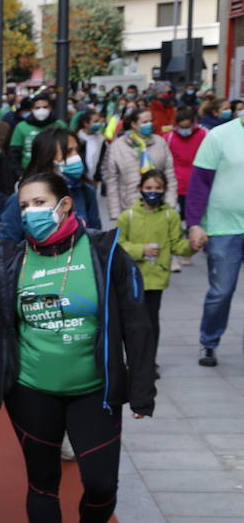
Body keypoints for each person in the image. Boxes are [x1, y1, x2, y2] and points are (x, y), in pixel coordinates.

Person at [0, 173, 154, 523]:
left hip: (94, 389)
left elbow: (137, 322)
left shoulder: (105, 252)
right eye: (23, 205)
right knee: (43, 482)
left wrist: (142, 389)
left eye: (39, 201)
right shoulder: (9, 258)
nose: (29, 212)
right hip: (32, 389)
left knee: (101, 483)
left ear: (65, 206)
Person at [115, 170, 193, 370]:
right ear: (140, 189)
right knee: (133, 323)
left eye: (158, 188)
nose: (153, 192)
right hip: (132, 278)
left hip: (156, 278)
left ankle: (149, 361)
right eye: (149, 188)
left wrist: (192, 246)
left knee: (151, 322)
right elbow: (119, 245)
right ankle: (133, 359)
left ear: (165, 190)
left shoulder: (170, 215)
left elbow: (177, 244)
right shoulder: (128, 216)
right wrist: (141, 250)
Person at [185, 113, 244, 367]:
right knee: (221, 291)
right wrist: (195, 223)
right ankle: (209, 342)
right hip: (223, 229)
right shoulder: (218, 136)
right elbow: (199, 183)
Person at [0, 128, 100, 241]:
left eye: (77, 150)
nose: (77, 157)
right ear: (48, 157)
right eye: (68, 152)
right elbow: (7, 245)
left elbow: (96, 237)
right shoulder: (21, 199)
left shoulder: (86, 191)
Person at [102, 110, 176, 223]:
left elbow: (169, 175)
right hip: (128, 208)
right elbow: (112, 181)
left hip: (159, 207)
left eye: (151, 121)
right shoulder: (117, 147)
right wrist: (115, 213)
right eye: (145, 122)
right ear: (134, 124)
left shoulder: (160, 143)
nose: (149, 124)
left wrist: (170, 204)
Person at [168, 107, 206, 220]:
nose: (185, 130)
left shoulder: (205, 134)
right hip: (177, 185)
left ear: (193, 123)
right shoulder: (169, 137)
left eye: (187, 127)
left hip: (198, 184)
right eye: (182, 127)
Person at [8, 92, 63, 168]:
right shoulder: (21, 127)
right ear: (32, 109)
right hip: (29, 172)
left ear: (51, 108)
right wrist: (19, 173)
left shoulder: (60, 125)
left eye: (45, 107)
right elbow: (14, 153)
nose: (41, 110)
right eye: (37, 108)